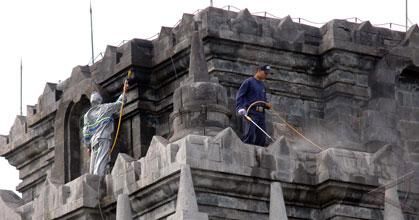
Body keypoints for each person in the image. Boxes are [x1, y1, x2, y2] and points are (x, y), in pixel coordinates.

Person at [82, 80, 129, 176]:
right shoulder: (105, 108)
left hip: (93, 141)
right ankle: (98, 180)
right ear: (100, 100)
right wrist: (124, 91)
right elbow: (119, 103)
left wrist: (88, 146)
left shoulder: (87, 116)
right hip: (103, 137)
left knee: (94, 162)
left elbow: (86, 133)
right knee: (101, 160)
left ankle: (93, 179)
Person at [236, 65, 273, 146]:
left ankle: (258, 155)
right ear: (259, 70)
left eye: (267, 74)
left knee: (262, 137)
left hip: (261, 114)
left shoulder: (262, 85)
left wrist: (267, 105)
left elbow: (263, 100)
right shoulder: (248, 82)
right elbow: (240, 95)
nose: (266, 75)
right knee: (250, 134)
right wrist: (240, 108)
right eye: (265, 73)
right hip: (251, 112)